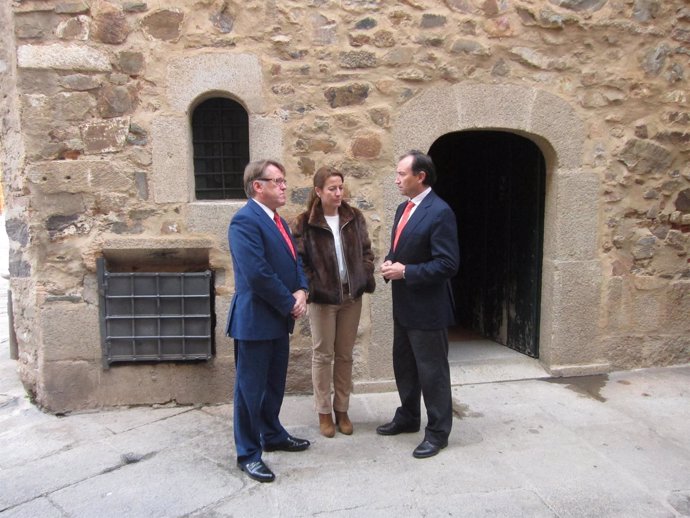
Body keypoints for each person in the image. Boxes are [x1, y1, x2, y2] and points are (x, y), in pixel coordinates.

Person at [226, 159, 311, 483]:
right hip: (255, 320)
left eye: (284, 181)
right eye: (276, 181)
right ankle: (248, 453)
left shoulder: (279, 221)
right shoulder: (244, 222)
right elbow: (257, 274)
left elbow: (294, 261)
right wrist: (289, 301)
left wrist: (302, 289)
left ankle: (272, 434)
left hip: (277, 318)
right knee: (250, 390)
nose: (284, 186)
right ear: (257, 186)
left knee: (274, 384)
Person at [378, 150, 460, 459]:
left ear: (420, 176)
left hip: (429, 308)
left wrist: (406, 271)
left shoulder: (440, 212)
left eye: (402, 174)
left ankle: (438, 432)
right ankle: (409, 416)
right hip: (404, 305)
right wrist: (390, 261)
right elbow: (400, 248)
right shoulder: (403, 209)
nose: (397, 179)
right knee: (405, 365)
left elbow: (448, 264)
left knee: (432, 372)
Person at [291, 166, 376, 438]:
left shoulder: (354, 217)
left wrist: (364, 275)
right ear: (318, 191)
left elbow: (366, 251)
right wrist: (313, 286)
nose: (339, 193)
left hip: (352, 297)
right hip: (323, 300)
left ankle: (342, 409)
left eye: (341, 187)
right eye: (332, 188)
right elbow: (299, 260)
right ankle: (324, 412)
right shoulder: (305, 222)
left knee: (344, 355)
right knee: (323, 354)